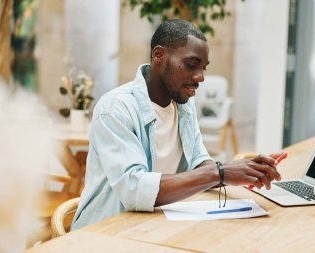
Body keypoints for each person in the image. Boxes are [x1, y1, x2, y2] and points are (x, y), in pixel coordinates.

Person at [71, 19, 281, 230]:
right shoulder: (115, 108)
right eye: (191, 65)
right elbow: (135, 190)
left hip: (151, 227)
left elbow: (198, 165)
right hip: (103, 233)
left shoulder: (184, 106)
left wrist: (243, 171)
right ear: (159, 55)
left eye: (203, 68)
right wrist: (220, 172)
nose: (200, 77)